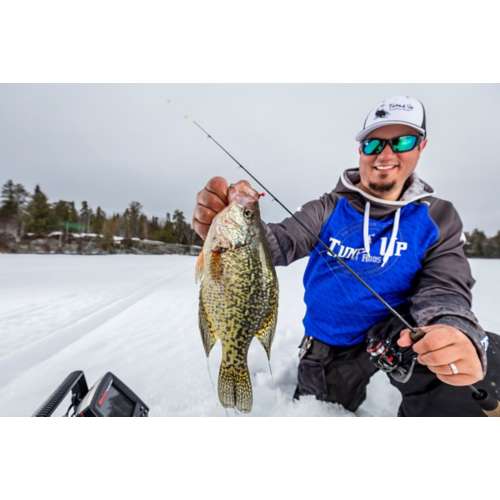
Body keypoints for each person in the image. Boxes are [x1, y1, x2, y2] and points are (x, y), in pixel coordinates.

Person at [192, 95, 489, 417]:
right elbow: (278, 243)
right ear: (361, 150)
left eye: (402, 141)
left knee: (482, 361)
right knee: (318, 413)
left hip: (402, 336)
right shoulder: (327, 208)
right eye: (374, 144)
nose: (385, 154)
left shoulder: (439, 216)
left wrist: (453, 328)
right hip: (332, 346)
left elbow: (445, 285)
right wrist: (226, 225)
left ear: (421, 146)